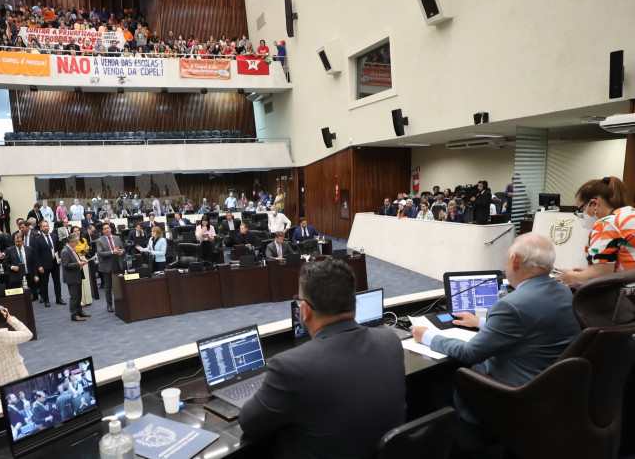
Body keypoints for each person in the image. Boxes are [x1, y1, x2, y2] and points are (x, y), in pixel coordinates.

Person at [411, 233, 580, 451]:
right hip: (547, 391)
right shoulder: (564, 292)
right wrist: (480, 322)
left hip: (513, 394)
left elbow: (471, 353)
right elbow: (531, 326)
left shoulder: (511, 304)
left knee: (438, 386)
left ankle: (469, 447)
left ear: (516, 261)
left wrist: (427, 336)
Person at [239, 259, 405, 458]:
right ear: (353, 301)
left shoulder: (290, 367)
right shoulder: (390, 340)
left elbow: (249, 422)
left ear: (306, 311)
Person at [558, 176, 633, 286]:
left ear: (594, 203)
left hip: (626, 296)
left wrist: (571, 276)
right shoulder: (630, 213)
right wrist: (585, 274)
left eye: (581, 209)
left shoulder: (606, 224)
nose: (581, 214)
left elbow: (600, 276)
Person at [96, 222, 124, 313]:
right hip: (107, 266)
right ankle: (109, 305)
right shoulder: (99, 240)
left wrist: (121, 252)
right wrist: (113, 252)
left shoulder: (117, 238)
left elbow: (123, 248)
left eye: (108, 228)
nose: (107, 230)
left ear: (110, 229)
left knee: (120, 285)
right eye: (105, 229)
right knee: (108, 287)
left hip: (118, 264)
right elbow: (100, 253)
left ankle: (121, 303)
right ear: (103, 231)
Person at [61, 233, 89, 322]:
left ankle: (79, 311)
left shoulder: (72, 249)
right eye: (76, 242)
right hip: (71, 277)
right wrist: (78, 264)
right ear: (70, 242)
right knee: (74, 297)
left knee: (79, 295)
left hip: (77, 275)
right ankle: (74, 315)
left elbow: (74, 260)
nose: (77, 244)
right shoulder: (65, 251)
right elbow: (65, 265)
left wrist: (81, 261)